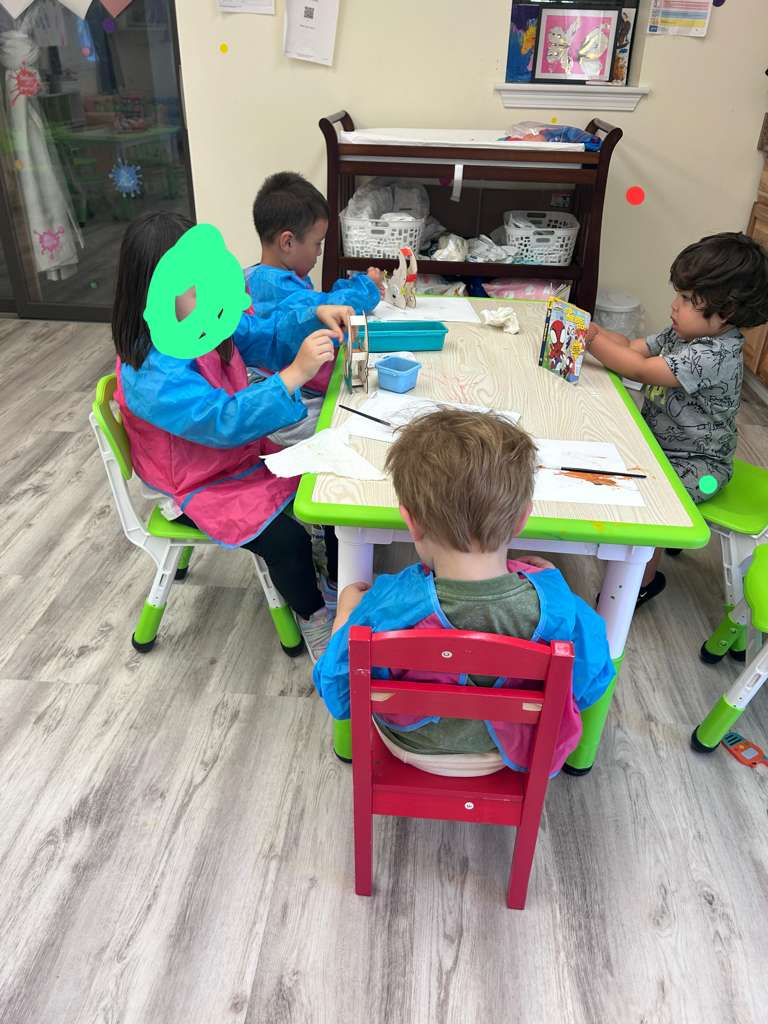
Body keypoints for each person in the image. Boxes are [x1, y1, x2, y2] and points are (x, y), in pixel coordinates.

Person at [313, 410, 614, 777]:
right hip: (511, 749)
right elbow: (593, 681)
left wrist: (344, 616)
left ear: (411, 522)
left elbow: (338, 694)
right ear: (523, 519)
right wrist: (550, 584)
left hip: (410, 744)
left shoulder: (388, 605)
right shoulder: (558, 607)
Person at [111, 210, 352, 661]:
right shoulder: (151, 374)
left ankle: (339, 585)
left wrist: (313, 314)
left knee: (334, 486)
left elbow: (261, 334)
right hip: (194, 485)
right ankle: (316, 616)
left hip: (235, 457)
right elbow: (220, 421)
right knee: (288, 541)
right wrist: (293, 375)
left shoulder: (202, 317)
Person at [586, 232, 768, 605]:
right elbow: (634, 348)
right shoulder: (683, 334)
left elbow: (640, 369)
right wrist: (598, 332)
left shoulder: (714, 355)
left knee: (652, 504)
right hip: (663, 446)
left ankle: (641, 583)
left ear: (725, 313)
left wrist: (591, 341)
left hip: (700, 466)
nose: (674, 305)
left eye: (687, 300)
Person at [247, 170, 383, 317]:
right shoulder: (278, 289)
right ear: (288, 243)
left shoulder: (261, 278)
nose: (319, 252)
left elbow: (322, 299)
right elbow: (328, 309)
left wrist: (354, 284)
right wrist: (366, 287)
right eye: (317, 243)